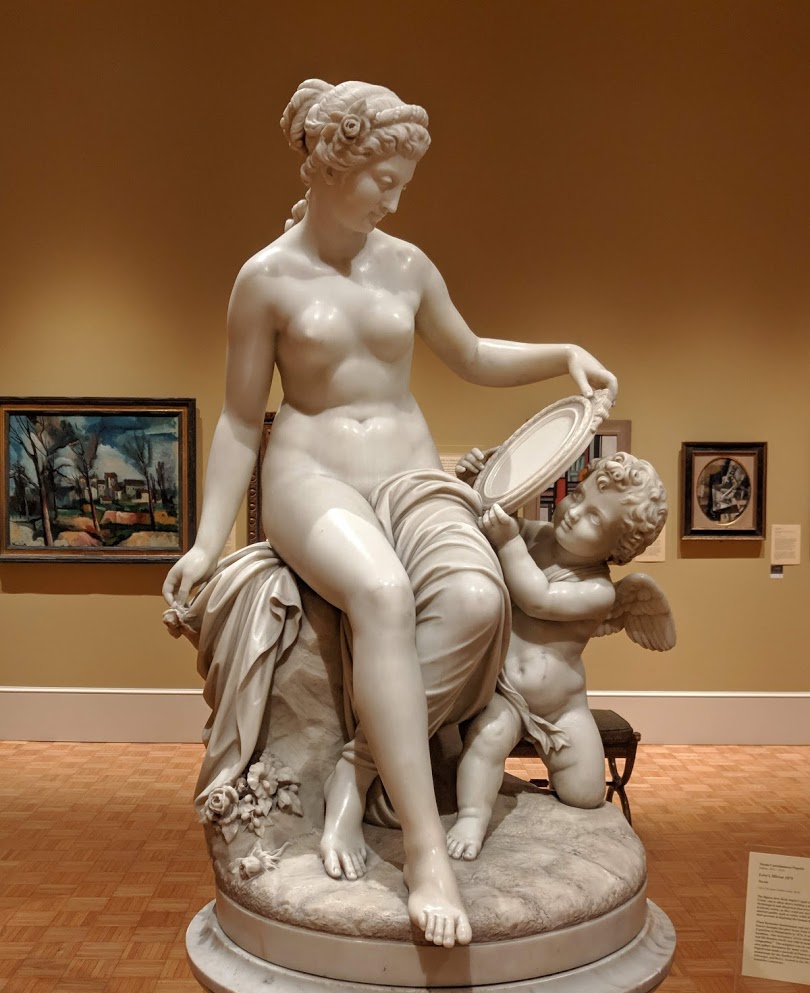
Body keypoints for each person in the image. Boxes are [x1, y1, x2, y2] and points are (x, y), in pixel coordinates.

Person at [162, 78, 617, 948]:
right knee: (382, 595)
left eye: (403, 183)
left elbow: (471, 353)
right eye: (384, 180)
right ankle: (423, 850)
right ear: (331, 164)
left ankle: (355, 770)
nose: (395, 200)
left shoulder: (407, 265)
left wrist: (564, 353)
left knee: (478, 599)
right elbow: (239, 419)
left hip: (410, 470)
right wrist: (206, 540)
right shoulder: (265, 279)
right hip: (312, 477)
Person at [447, 452, 670, 861]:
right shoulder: (536, 537)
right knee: (487, 742)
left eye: (595, 518)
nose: (574, 512)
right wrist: (481, 481)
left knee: (585, 793)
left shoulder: (599, 590)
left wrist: (509, 541)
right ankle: (472, 817)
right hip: (507, 693)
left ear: (619, 547)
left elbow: (538, 598)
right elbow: (492, 519)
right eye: (578, 495)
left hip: (562, 707)